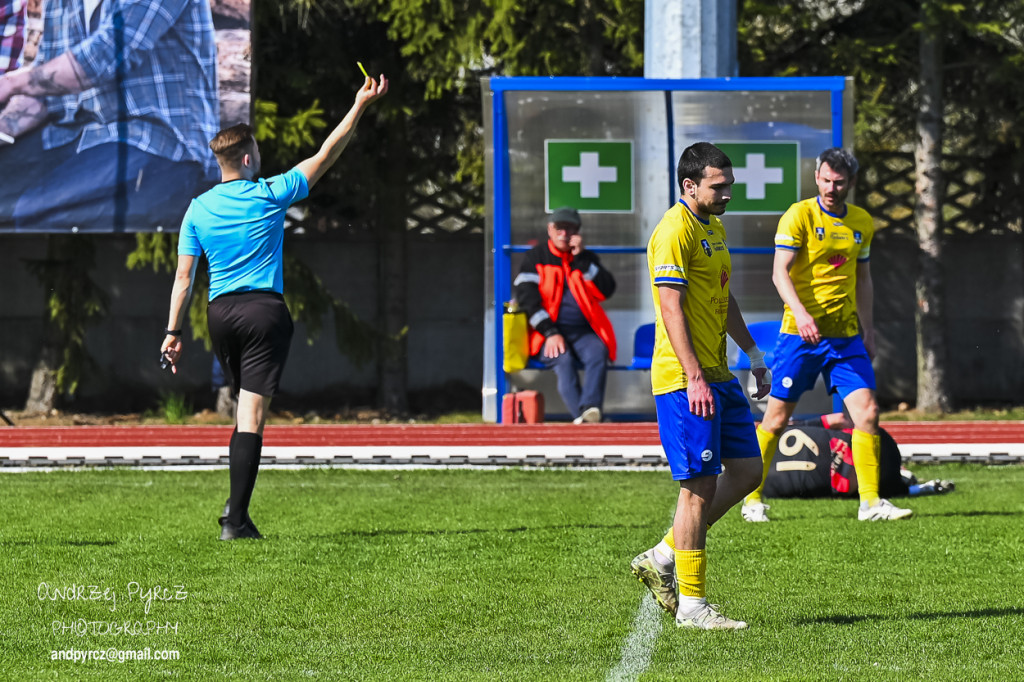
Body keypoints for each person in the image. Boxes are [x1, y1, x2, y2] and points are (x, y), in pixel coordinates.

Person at [159, 73, 389, 540]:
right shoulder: (269, 193)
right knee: (252, 418)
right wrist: (359, 104)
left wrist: (174, 334)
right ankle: (236, 521)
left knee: (245, 409)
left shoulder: (197, 209)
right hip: (265, 313)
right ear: (247, 158)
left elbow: (184, 278)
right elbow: (327, 153)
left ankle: (235, 507)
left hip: (220, 316)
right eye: (258, 153)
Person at [629, 142, 771, 630]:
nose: (728, 193)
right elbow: (670, 309)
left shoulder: (714, 226)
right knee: (698, 489)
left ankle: (666, 553)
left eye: (729, 185)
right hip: (684, 378)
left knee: (749, 472)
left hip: (718, 373)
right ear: (690, 186)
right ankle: (692, 608)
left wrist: (753, 354)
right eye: (719, 186)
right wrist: (692, 377)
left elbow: (723, 297)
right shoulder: (673, 231)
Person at [740, 147, 913, 523]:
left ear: (850, 183)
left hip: (845, 338)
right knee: (775, 419)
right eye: (825, 180)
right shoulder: (799, 215)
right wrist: (801, 315)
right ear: (816, 177)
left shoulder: (861, 222)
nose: (831, 188)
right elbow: (779, 273)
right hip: (800, 337)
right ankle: (751, 499)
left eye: (839, 182)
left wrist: (868, 328)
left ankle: (870, 503)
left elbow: (863, 278)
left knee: (867, 413)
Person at [0, 0, 219, 231]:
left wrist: (10, 83)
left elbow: (105, 55)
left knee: (33, 212)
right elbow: (45, 86)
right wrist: (4, 128)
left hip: (157, 141)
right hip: (78, 135)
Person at [513, 206, 616, 423]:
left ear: (578, 232)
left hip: (582, 332)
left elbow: (607, 289)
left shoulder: (586, 258)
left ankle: (590, 409)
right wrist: (550, 333)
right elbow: (527, 299)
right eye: (560, 228)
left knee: (598, 352)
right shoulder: (535, 257)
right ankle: (582, 417)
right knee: (563, 359)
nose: (564, 234)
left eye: (570, 229)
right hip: (546, 333)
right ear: (550, 229)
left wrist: (582, 260)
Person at [760, 423, 954, 500]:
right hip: (870, 454)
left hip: (849, 480)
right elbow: (837, 418)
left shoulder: (763, 488)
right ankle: (913, 485)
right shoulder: (770, 432)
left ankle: (916, 487)